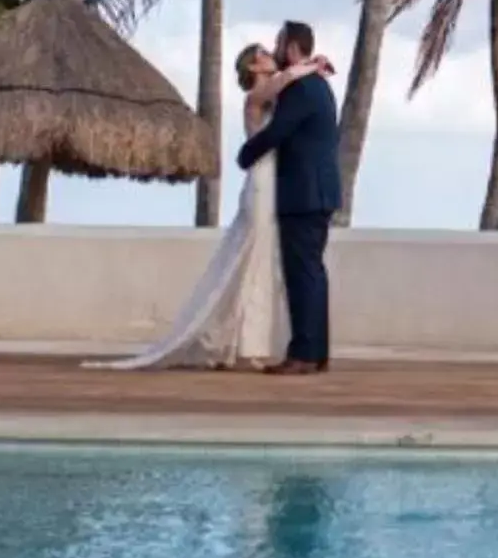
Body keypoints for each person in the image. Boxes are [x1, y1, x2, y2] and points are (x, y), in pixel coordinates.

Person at [90, 42, 326, 372]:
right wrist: (312, 66)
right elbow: (287, 79)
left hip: (275, 184)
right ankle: (233, 342)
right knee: (251, 258)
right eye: (264, 54)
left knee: (259, 263)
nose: (272, 54)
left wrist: (310, 67)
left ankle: (242, 343)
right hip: (261, 185)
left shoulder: (275, 95)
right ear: (255, 67)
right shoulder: (258, 96)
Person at [241, 18, 341, 376]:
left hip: (304, 193)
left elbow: (279, 131)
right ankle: (316, 352)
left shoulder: (302, 89)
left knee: (303, 275)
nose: (276, 48)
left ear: (293, 48)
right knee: (312, 273)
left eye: (279, 43)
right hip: (317, 192)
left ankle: (303, 354)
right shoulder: (315, 84)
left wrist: (245, 155)